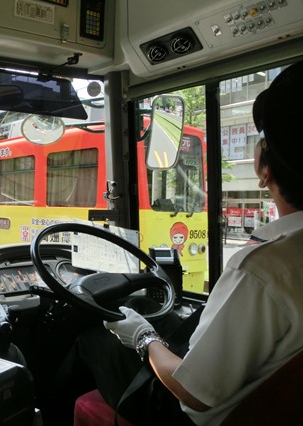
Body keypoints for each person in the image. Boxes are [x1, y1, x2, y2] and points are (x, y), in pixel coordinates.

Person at [60, 60, 303, 425]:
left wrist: (143, 337)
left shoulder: (264, 270)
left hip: (186, 414)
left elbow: (194, 394)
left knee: (92, 339)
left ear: (263, 169)